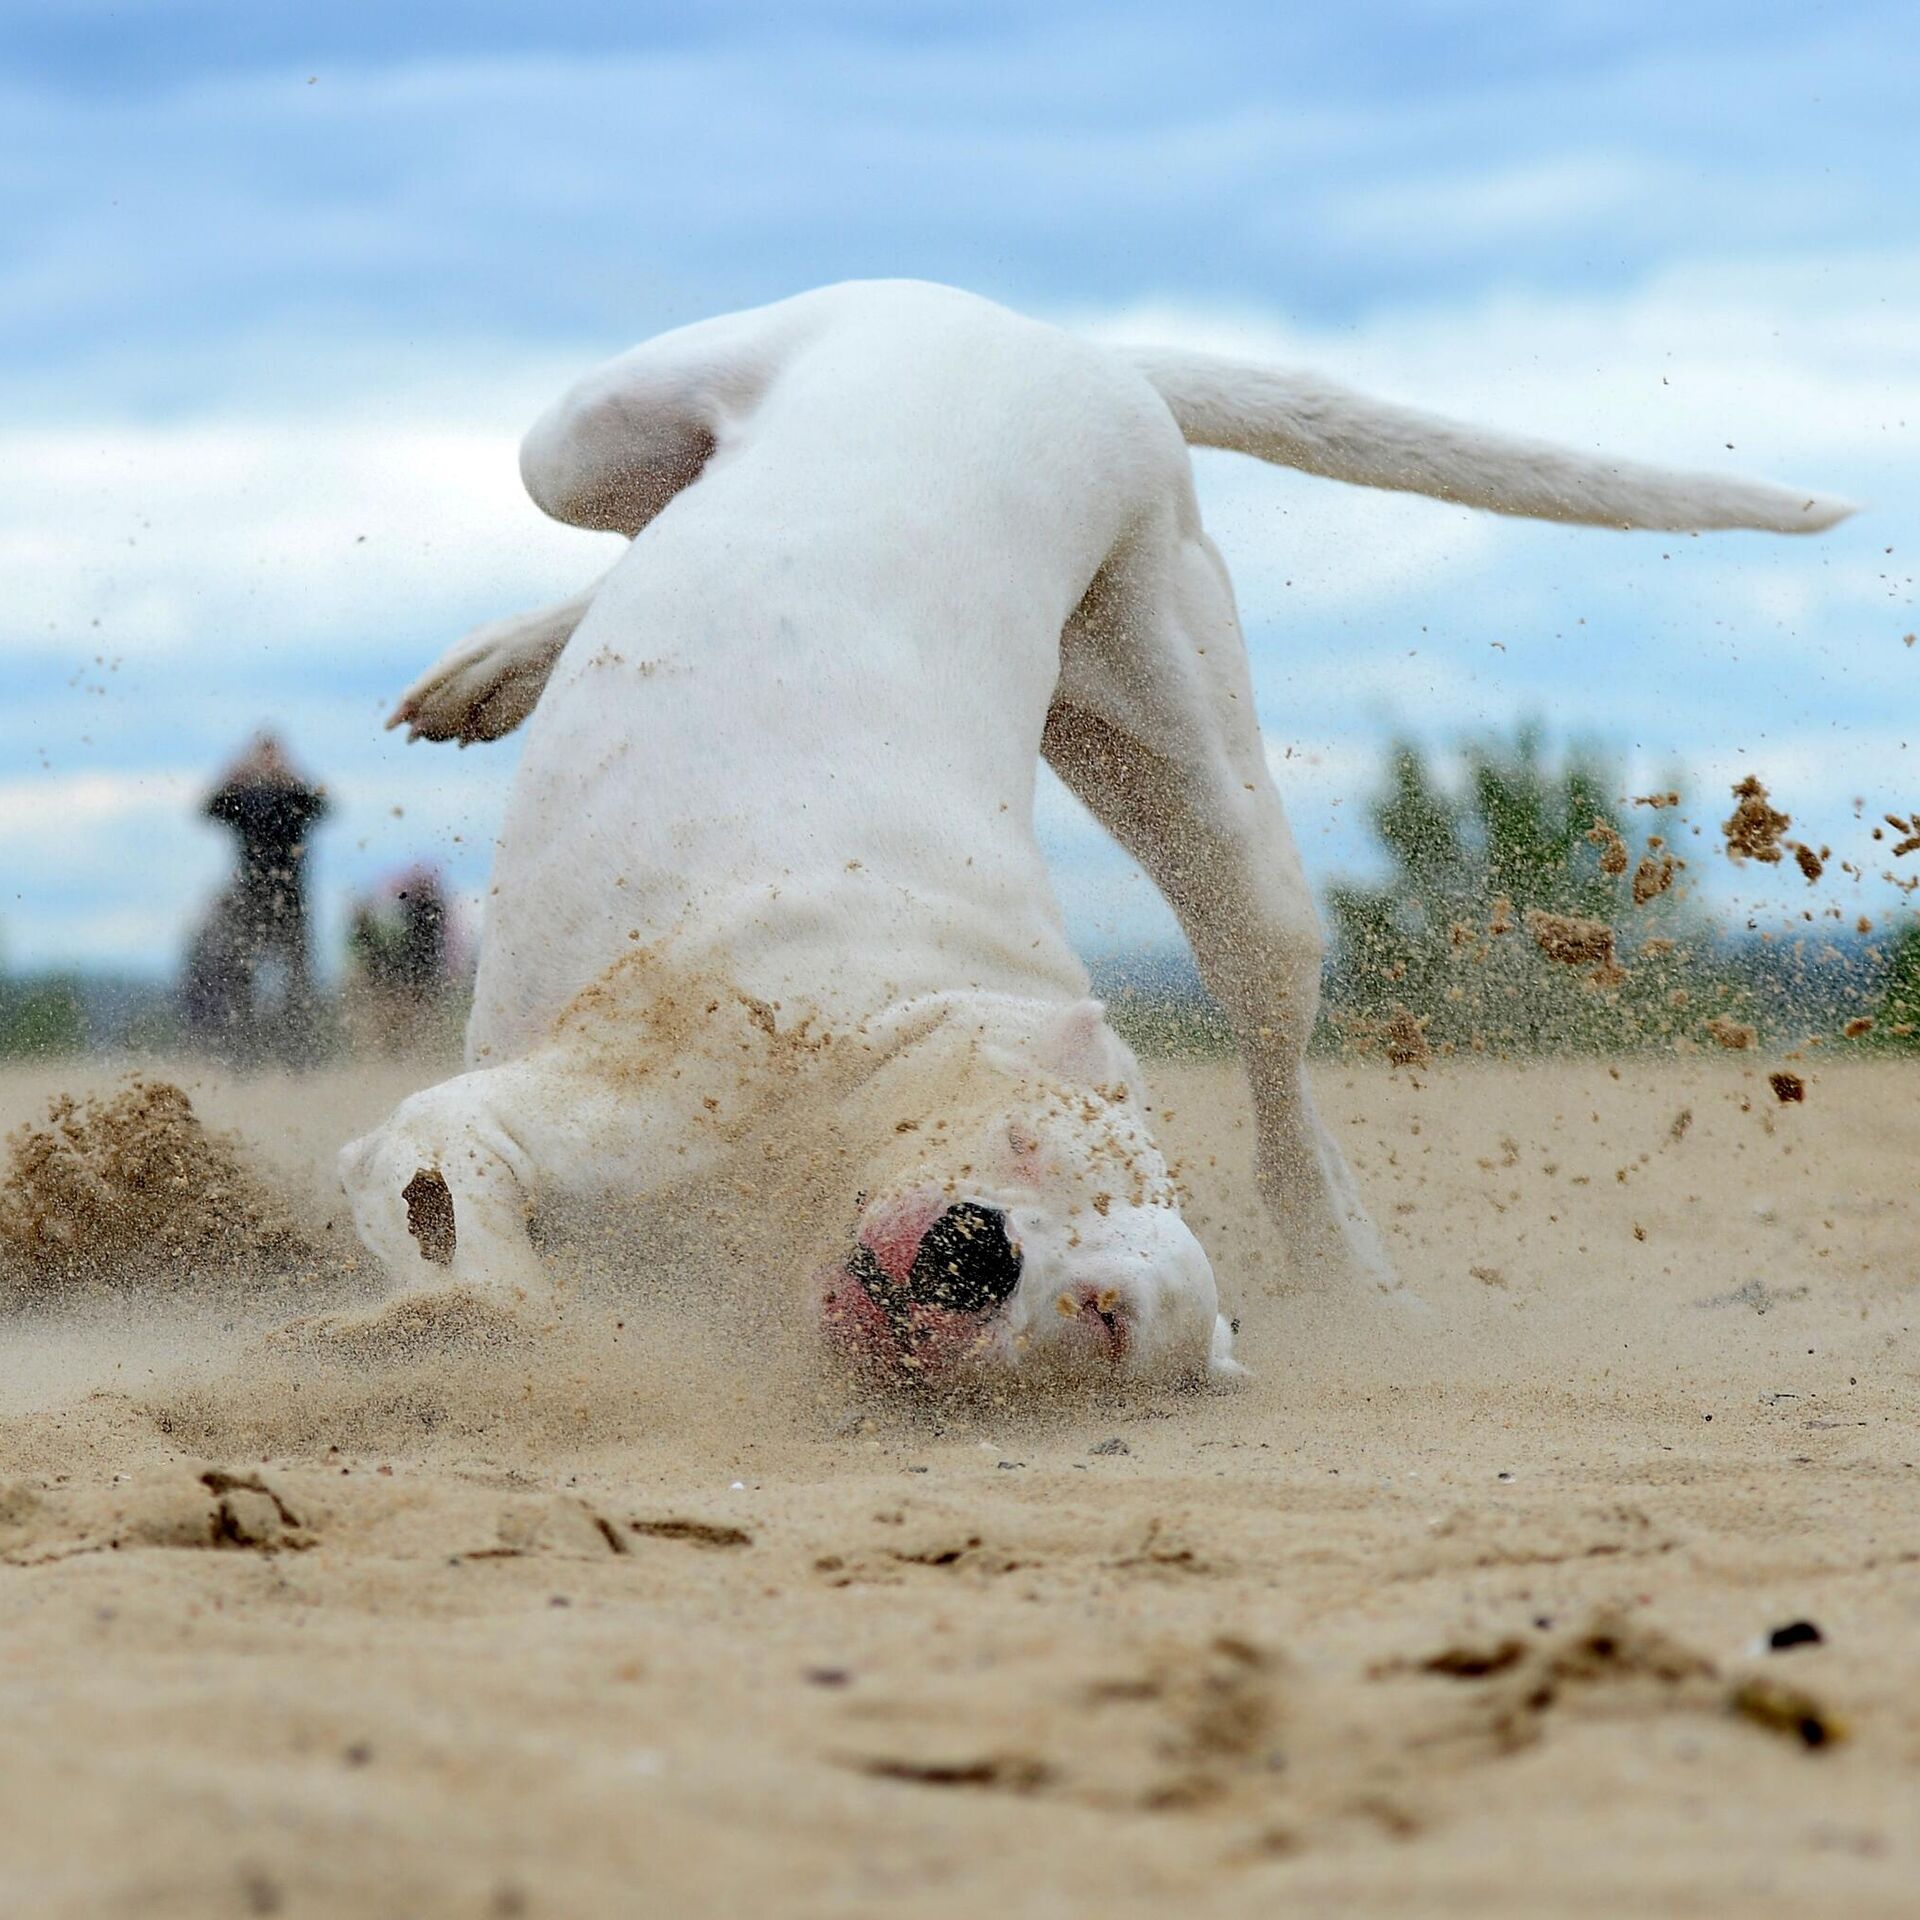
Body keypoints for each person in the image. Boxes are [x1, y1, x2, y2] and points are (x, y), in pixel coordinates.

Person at [184, 731, 329, 1061]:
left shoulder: (294, 795)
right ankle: (244, 1055)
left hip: (292, 901)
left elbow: (324, 807)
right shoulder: (245, 797)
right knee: (240, 979)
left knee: (298, 984)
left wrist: (293, 776)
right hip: (250, 900)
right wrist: (233, 775)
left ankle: (299, 1057)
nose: (268, 761)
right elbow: (209, 809)